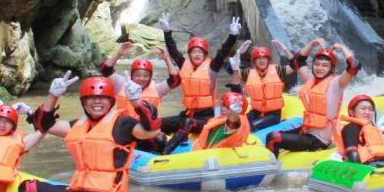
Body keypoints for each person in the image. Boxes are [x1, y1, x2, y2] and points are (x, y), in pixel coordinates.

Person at [1, 73, 162, 192]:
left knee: (29, 188)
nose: (96, 102)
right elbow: (45, 125)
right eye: (91, 98)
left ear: (111, 101)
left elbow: (151, 130)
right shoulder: (79, 125)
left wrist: (136, 103)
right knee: (34, 189)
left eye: (102, 98)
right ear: (84, 103)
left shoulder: (123, 124)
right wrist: (53, 96)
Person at [158, 12, 241, 151]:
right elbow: (173, 51)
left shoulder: (212, 68)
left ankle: (165, 151)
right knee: (159, 123)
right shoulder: (184, 64)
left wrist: (233, 36)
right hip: (187, 113)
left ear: (204, 54)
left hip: (206, 118)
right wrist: (167, 32)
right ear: (190, 54)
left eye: (200, 52)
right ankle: (153, 145)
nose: (197, 54)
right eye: (194, 52)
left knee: (188, 122)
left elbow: (222, 53)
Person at [265, 39, 360, 156]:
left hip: (318, 140)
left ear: (332, 69)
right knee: (271, 134)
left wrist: (341, 47)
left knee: (273, 137)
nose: (319, 68)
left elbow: (354, 65)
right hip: (306, 131)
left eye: (325, 66)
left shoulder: (337, 83)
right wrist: (312, 44)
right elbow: (298, 60)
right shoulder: (310, 78)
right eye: (317, 64)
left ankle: (271, 172)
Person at [100, 42, 180, 152]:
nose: (141, 78)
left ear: (150, 76)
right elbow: (105, 70)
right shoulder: (122, 83)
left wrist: (166, 58)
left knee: (160, 140)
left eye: (145, 75)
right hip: (125, 129)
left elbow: (175, 80)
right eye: (137, 75)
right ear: (132, 75)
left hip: (145, 130)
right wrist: (118, 54)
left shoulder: (157, 88)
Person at [226, 39, 298, 131]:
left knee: (252, 126)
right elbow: (230, 70)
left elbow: (295, 66)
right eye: (259, 58)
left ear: (268, 60)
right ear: (254, 61)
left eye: (264, 58)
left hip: (273, 114)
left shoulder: (277, 70)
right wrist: (239, 52)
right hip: (256, 112)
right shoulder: (248, 73)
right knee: (235, 123)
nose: (262, 61)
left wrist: (285, 50)